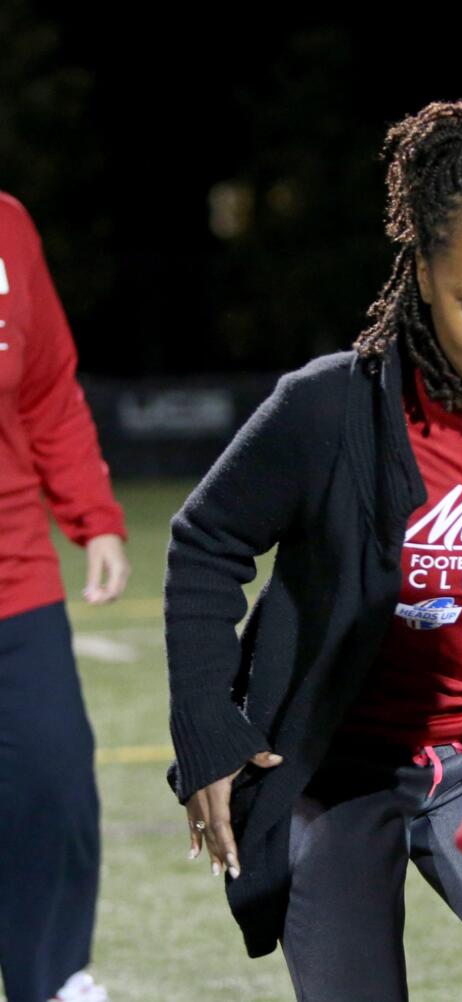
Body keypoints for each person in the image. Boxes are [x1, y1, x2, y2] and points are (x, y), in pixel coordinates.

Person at [163, 99, 462, 1001]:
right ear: (426, 273)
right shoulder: (329, 409)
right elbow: (207, 541)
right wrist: (208, 729)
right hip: (338, 769)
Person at [0, 193, 129, 1002]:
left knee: (54, 787)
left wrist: (94, 516)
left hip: (13, 576)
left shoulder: (7, 225)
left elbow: (46, 388)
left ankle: (52, 982)